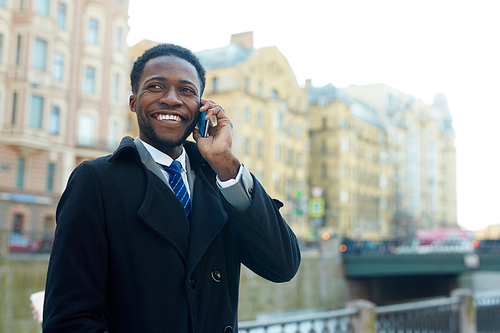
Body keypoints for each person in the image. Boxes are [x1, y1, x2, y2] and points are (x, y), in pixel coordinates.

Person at [43, 43, 301, 332]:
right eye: (155, 87)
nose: (171, 99)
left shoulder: (221, 181)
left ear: (202, 107)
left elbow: (282, 266)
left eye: (186, 90)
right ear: (133, 102)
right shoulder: (96, 181)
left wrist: (225, 163)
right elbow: (68, 321)